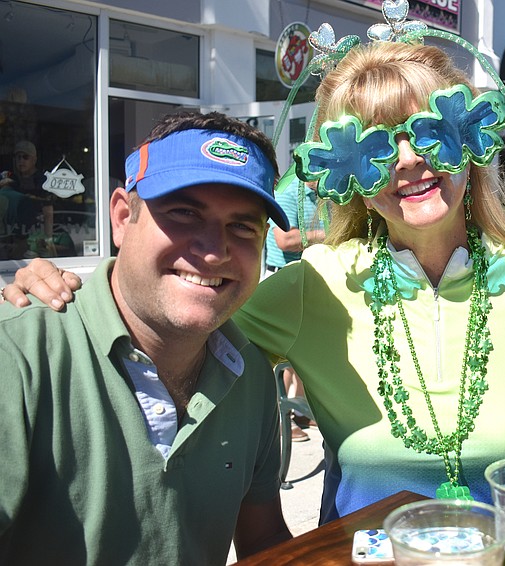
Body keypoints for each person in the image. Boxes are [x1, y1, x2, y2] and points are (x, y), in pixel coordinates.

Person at [2, 11, 505, 526]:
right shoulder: (313, 285)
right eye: (377, 146)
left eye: (433, 133)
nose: (411, 164)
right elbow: (183, 300)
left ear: (473, 141)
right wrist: (68, 289)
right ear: (346, 171)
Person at [0, 112, 293, 563]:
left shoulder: (249, 374)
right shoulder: (19, 357)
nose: (213, 250)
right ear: (121, 217)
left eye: (242, 226)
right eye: (183, 213)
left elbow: (263, 538)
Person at [265, 178, 328, 441]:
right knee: (282, 355)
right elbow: (285, 239)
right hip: (283, 279)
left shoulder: (325, 194)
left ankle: (300, 409)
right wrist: (327, 233)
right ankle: (279, 419)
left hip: (307, 277)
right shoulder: (288, 194)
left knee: (307, 350)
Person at [0, 140, 54, 258]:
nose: (21, 161)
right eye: (18, 157)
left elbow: (48, 212)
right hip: (15, 232)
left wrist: (48, 239)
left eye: (25, 157)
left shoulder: (43, 181)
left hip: (37, 231)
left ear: (34, 160)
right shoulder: (12, 179)